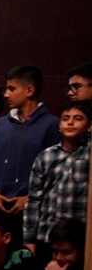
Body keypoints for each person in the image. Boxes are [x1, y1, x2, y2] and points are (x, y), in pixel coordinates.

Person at [0, 65, 61, 240]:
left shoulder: (52, 125)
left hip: (35, 215)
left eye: (12, 89)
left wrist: (29, 199)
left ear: (29, 90)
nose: (6, 94)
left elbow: (56, 173)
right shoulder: (1, 124)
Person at [23, 100, 90, 256]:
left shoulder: (89, 153)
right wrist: (29, 239)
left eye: (78, 118)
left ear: (89, 126)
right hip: (47, 235)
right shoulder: (46, 156)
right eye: (65, 118)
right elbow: (33, 200)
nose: (70, 122)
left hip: (80, 238)